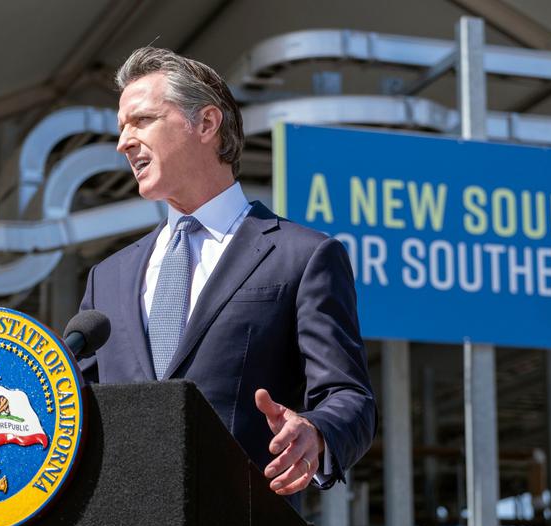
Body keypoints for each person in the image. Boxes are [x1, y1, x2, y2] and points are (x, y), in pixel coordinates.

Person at [77, 47, 376, 499]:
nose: (123, 143)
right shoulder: (107, 278)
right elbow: (73, 411)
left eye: (141, 121)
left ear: (206, 123)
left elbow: (350, 398)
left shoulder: (303, 256)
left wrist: (314, 431)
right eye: (122, 129)